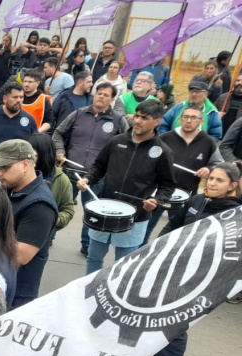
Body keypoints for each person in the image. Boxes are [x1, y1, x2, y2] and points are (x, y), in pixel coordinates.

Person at [135, 162, 242, 356]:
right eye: (211, 178)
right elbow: (173, 226)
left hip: (197, 281)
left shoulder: (236, 216)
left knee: (174, 327)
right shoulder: (197, 201)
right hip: (172, 270)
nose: (212, 183)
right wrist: (157, 250)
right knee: (159, 320)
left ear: (233, 186)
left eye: (220, 180)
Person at [76, 100, 175, 274]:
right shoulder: (116, 141)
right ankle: (89, 289)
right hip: (104, 210)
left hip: (135, 217)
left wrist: (156, 201)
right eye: (136, 116)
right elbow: (99, 167)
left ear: (157, 121)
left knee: (123, 266)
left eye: (144, 118)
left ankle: (116, 291)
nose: (137, 121)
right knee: (94, 257)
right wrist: (87, 179)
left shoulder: (163, 151)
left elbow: (167, 185)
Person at [52, 82, 130, 254]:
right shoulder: (78, 113)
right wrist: (59, 150)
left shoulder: (118, 120)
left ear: (112, 99)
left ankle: (87, 245)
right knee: (58, 206)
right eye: (99, 93)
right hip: (70, 172)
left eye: (106, 95)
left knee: (93, 211)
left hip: (97, 176)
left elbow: (128, 144)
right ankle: (48, 236)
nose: (101, 96)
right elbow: (58, 133)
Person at [0, 140, 58, 308]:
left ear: (25, 164)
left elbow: (21, 255)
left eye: (4, 167)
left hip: (15, 293)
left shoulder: (39, 206)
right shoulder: (12, 189)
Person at [144, 106, 222, 245]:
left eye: (194, 118)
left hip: (186, 195)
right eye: (186, 117)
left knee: (178, 235)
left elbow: (218, 164)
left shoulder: (208, 141)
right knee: (145, 230)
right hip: (159, 192)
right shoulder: (165, 138)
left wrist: (209, 169)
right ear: (180, 119)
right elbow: (148, 159)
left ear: (201, 121)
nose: (189, 121)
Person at [29, 133, 74, 232]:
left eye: (33, 155)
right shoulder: (20, 171)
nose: (28, 159)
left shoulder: (61, 180)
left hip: (44, 231)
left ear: (44, 155)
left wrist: (54, 219)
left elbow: (68, 210)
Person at [158, 81, 223, 140]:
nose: (194, 94)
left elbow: (215, 135)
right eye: (191, 91)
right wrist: (166, 140)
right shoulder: (179, 107)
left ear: (206, 94)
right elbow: (163, 125)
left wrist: (204, 145)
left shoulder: (212, 112)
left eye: (197, 92)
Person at [19, 68, 54, 133]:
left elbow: (49, 122)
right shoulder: (17, 97)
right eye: (25, 81)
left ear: (37, 83)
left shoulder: (44, 100)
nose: (26, 84)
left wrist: (37, 132)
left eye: (30, 82)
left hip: (35, 134)